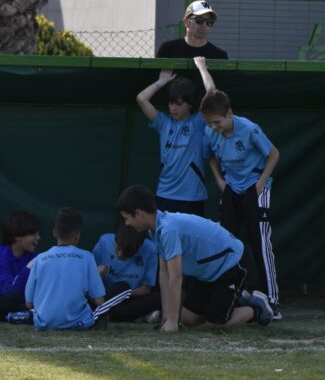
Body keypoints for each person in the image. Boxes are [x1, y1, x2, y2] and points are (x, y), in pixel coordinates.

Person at [116, 185, 272, 331]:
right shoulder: (155, 231)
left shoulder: (168, 230)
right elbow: (164, 273)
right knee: (188, 319)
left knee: (214, 325)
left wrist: (172, 322)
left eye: (127, 218)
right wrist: (167, 318)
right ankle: (234, 300)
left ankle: (256, 308)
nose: (126, 223)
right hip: (207, 273)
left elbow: (176, 277)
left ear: (139, 214)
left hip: (232, 264)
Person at [203, 89, 281, 319]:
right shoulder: (210, 132)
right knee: (224, 242)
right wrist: (219, 180)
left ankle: (272, 301)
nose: (214, 127)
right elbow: (209, 156)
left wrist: (260, 183)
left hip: (254, 188)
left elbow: (274, 154)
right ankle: (229, 295)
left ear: (230, 113)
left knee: (260, 242)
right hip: (231, 188)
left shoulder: (249, 129)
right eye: (210, 123)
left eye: (217, 122)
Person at [136, 55, 216, 216]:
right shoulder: (163, 123)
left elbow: (212, 93)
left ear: (190, 104)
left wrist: (202, 68)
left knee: (191, 233)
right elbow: (141, 99)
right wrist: (162, 81)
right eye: (171, 103)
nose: (174, 108)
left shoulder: (197, 122)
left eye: (179, 104)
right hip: (165, 194)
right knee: (164, 232)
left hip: (192, 196)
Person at [24, 207, 125, 330]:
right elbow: (99, 301)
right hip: (79, 323)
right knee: (124, 289)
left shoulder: (40, 259)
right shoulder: (87, 257)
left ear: (54, 232)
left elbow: (29, 303)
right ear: (77, 235)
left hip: (43, 323)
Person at [91, 225, 161, 323]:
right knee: (121, 286)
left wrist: (124, 294)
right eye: (118, 249)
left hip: (130, 297)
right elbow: (88, 281)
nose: (120, 254)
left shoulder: (150, 249)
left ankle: (109, 315)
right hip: (104, 298)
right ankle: (137, 317)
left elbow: (146, 289)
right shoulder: (104, 242)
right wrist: (97, 274)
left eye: (127, 253)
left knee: (159, 298)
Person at [0, 211, 40, 322]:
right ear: (18, 236)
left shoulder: (31, 255)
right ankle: (26, 315)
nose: (38, 237)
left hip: (23, 301)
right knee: (12, 298)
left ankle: (27, 315)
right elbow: (10, 290)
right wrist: (28, 268)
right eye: (33, 234)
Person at [156, 0, 229, 59]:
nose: (204, 25)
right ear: (186, 22)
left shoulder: (219, 56)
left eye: (209, 22)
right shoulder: (168, 50)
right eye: (199, 20)